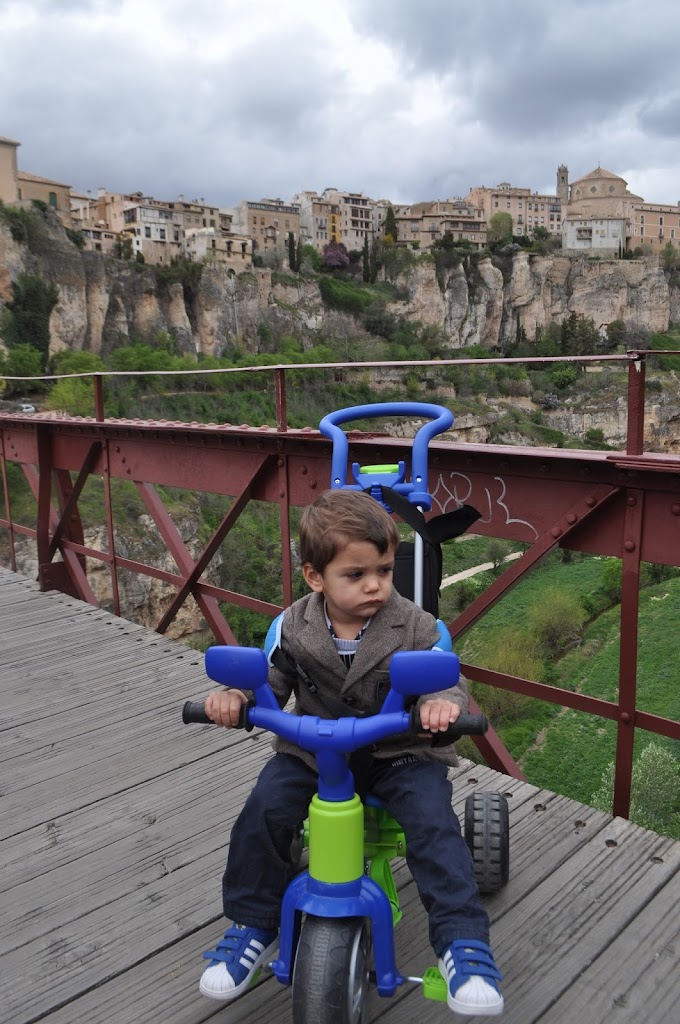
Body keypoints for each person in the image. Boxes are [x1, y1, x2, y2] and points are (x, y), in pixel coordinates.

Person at [200, 489, 503, 1016]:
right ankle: (252, 922)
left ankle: (462, 941)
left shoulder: (415, 625)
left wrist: (439, 708)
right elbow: (270, 677)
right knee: (265, 810)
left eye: (384, 570)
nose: (375, 585)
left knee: (433, 824)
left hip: (398, 751)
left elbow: (444, 679)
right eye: (356, 574)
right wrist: (239, 697)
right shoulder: (292, 626)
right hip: (314, 751)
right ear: (315, 577)